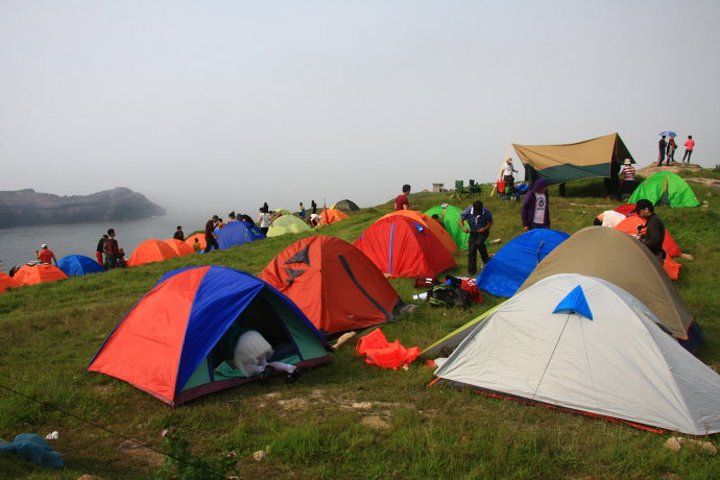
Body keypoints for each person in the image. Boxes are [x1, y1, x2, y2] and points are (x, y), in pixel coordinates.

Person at [460, 200, 493, 276]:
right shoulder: (467, 211)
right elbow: (461, 220)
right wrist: (463, 228)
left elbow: (491, 222)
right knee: (471, 250)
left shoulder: (486, 212)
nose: (478, 214)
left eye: (479, 212)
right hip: (473, 233)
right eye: (477, 212)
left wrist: (484, 228)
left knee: (479, 243)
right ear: (473, 209)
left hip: (483, 232)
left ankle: (486, 261)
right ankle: (472, 271)